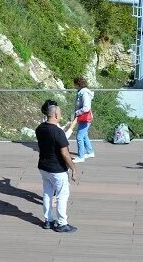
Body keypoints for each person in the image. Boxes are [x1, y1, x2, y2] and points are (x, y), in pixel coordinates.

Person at [36, 100, 78, 232]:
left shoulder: (40, 128)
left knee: (47, 194)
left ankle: (48, 221)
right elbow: (64, 153)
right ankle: (62, 223)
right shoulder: (58, 132)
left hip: (43, 167)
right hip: (57, 169)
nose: (61, 115)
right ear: (55, 115)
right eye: (59, 113)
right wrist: (73, 168)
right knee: (62, 195)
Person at [72, 77, 94, 163]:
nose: (73, 85)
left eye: (74, 84)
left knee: (79, 137)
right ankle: (90, 152)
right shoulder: (81, 92)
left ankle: (81, 156)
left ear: (78, 84)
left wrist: (77, 112)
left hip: (85, 117)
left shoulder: (84, 93)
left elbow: (86, 108)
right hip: (83, 117)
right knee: (84, 135)